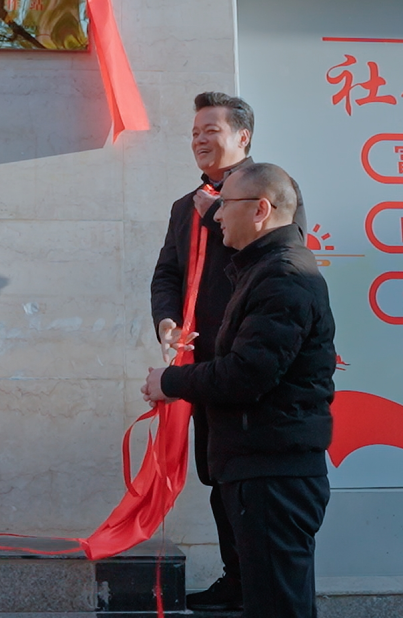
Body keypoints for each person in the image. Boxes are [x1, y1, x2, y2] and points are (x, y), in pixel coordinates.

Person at [144, 162, 335, 618]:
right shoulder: (261, 270)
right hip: (261, 465)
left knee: (277, 607)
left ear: (261, 210)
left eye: (226, 205)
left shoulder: (284, 276)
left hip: (273, 471)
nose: (217, 216)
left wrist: (170, 382)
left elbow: (247, 374)